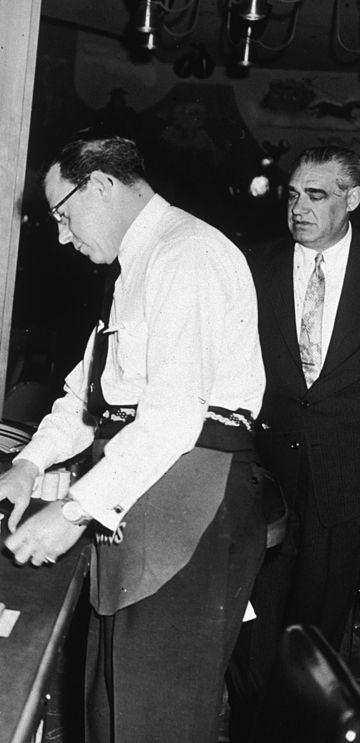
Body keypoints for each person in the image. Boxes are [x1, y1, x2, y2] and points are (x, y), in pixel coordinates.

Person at [0, 136, 267, 743]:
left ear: (101, 184)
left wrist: (73, 511)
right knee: (110, 714)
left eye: (62, 213)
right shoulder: (133, 264)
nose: (60, 235)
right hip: (140, 503)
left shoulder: (188, 254)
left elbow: (173, 418)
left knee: (151, 721)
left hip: (190, 502)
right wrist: (27, 466)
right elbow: (89, 399)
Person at [228, 146, 360, 740]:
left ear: (352, 199)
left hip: (346, 484)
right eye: (293, 194)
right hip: (267, 482)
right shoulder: (253, 268)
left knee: (320, 641)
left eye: (318, 195)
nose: (299, 208)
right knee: (255, 633)